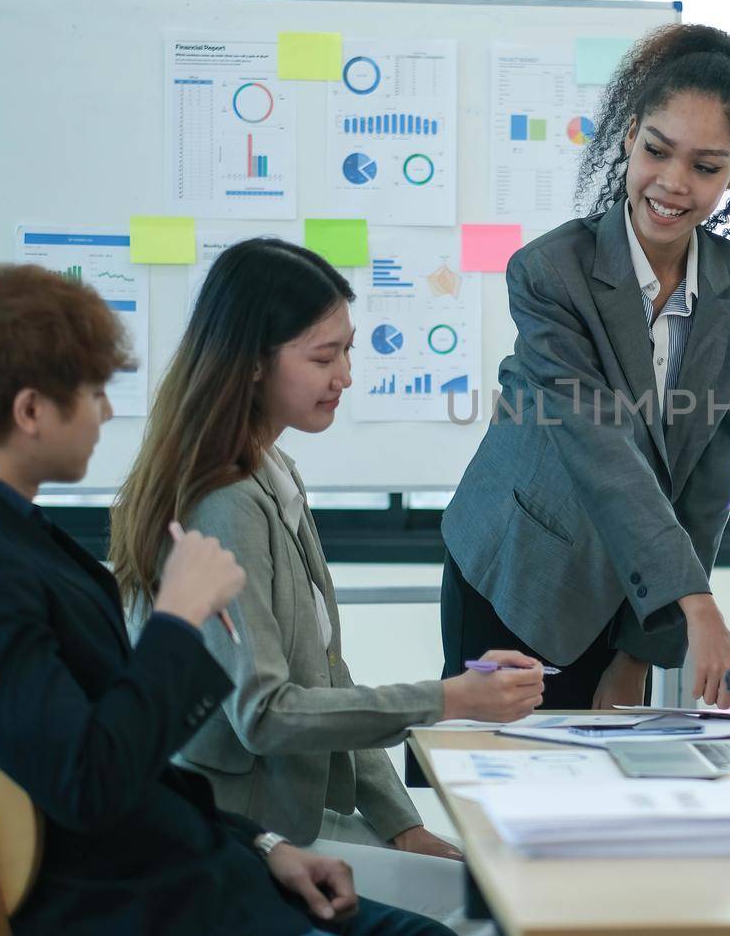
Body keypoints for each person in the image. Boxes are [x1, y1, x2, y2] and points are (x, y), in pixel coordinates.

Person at [0, 264, 449, 936]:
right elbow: (91, 776)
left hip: (184, 876)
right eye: (92, 393)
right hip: (141, 906)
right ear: (30, 411)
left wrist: (263, 846)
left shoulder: (0, 537)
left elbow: (134, 769)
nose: (109, 412)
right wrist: (178, 617)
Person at [111, 239, 542, 920]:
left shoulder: (272, 468)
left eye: (349, 351)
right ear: (253, 362)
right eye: (323, 356)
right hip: (244, 837)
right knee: (488, 909)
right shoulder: (225, 501)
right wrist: (446, 699)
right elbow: (267, 712)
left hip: (294, 820)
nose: (344, 374)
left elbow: (327, 684)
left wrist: (400, 822)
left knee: (489, 893)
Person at [440, 23, 730, 710]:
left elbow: (708, 481)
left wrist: (640, 649)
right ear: (629, 136)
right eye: (658, 150)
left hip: (637, 589)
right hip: (518, 573)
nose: (673, 183)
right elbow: (601, 445)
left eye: (706, 165)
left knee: (604, 794)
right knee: (498, 786)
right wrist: (699, 605)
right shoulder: (550, 274)